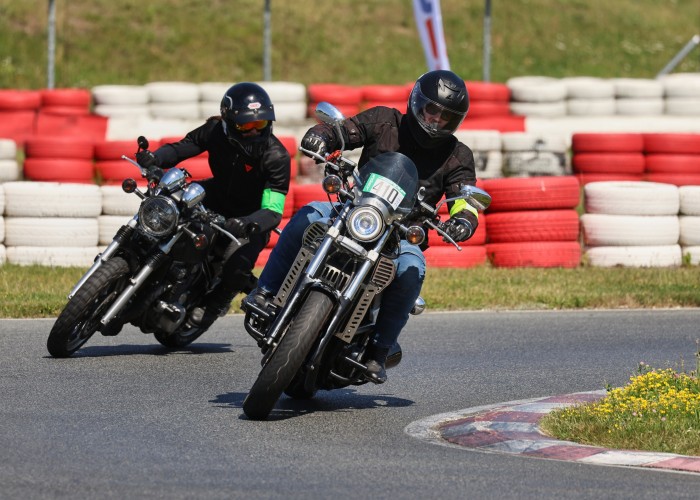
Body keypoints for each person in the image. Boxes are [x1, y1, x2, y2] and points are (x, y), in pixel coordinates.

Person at [246, 70, 479, 384]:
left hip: (399, 235)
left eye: (446, 117)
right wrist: (324, 135)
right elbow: (346, 131)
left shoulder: (457, 155)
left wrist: (463, 219)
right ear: (416, 102)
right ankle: (265, 291)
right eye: (432, 111)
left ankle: (378, 352)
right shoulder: (384, 120)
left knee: (413, 269)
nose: (436, 121)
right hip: (354, 210)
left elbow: (464, 198)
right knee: (308, 214)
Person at [136, 82, 291, 331]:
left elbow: (273, 210)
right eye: (246, 125)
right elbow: (181, 148)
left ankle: (217, 302)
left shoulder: (277, 157)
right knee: (165, 209)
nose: (253, 132)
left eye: (259, 124)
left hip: (250, 218)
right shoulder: (214, 131)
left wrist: (248, 223)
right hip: (214, 197)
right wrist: (155, 158)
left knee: (237, 265)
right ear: (228, 121)